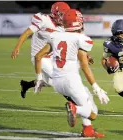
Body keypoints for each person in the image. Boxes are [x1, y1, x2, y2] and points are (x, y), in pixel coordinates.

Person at [34, 9, 110, 138]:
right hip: (71, 81)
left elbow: (38, 57)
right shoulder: (81, 38)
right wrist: (96, 87)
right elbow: (85, 66)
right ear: (78, 22)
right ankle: (74, 109)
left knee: (86, 97)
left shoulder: (55, 35)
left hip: (57, 82)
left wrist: (39, 78)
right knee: (92, 113)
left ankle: (88, 130)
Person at [11, 2, 70, 98]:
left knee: (51, 82)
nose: (63, 17)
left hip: (51, 57)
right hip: (38, 57)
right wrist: (17, 47)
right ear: (55, 13)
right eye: (61, 15)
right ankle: (75, 103)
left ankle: (26, 85)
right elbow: (27, 33)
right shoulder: (43, 20)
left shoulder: (62, 27)